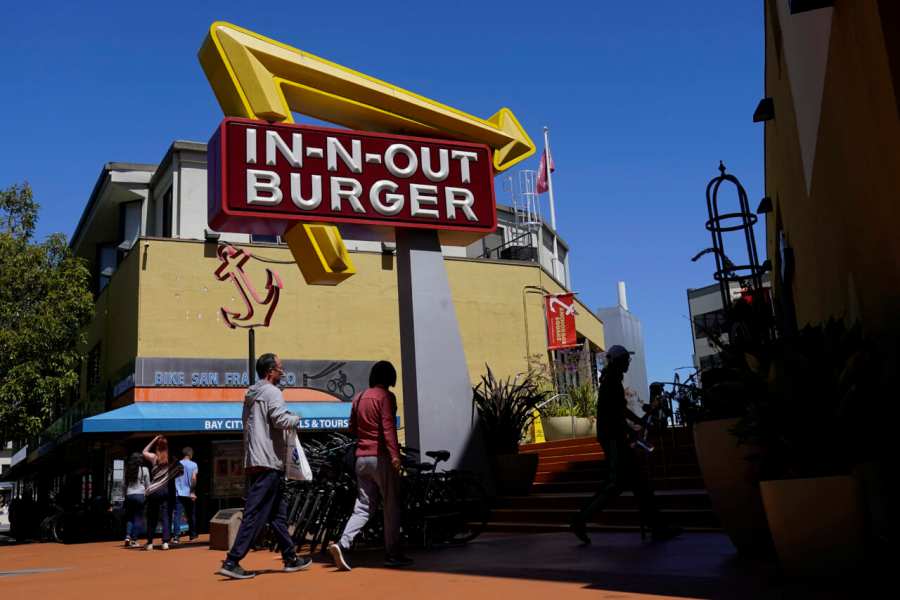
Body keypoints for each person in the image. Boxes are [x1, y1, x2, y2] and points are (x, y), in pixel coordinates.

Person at [570, 345, 682, 544]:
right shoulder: (612, 381)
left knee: (637, 484)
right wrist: (639, 426)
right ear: (618, 361)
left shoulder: (611, 380)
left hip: (615, 436)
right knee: (617, 484)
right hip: (614, 439)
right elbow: (617, 413)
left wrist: (637, 427)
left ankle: (656, 526)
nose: (628, 362)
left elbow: (618, 412)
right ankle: (580, 520)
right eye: (625, 359)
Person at [218, 353, 312, 580]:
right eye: (280, 368)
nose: (283, 372)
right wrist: (296, 418)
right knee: (255, 514)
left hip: (257, 459)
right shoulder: (272, 392)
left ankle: (290, 557)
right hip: (269, 461)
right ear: (270, 371)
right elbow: (280, 420)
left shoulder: (252, 394)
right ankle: (232, 560)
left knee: (277, 515)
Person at [328, 360, 412, 571]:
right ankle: (393, 553)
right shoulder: (386, 397)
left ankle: (343, 543)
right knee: (391, 506)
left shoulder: (358, 397)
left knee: (363, 507)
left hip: (361, 459)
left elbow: (352, 427)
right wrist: (395, 456)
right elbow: (388, 427)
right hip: (380, 457)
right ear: (390, 377)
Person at [142, 435, 183, 550]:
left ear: (157, 447)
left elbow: (144, 451)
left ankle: (150, 543)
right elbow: (180, 471)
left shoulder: (154, 458)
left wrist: (154, 439)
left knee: (152, 516)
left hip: (154, 490)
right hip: (166, 490)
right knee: (166, 516)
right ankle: (165, 542)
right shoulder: (171, 459)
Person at [171, 446, 198, 543]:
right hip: (189, 493)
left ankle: (176, 537)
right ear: (190, 454)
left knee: (177, 515)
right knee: (191, 515)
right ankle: (192, 536)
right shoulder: (194, 465)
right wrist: (192, 492)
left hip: (178, 493)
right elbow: (194, 479)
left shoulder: (177, 464)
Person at [123, 452, 150, 547]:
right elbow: (148, 485)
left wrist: (125, 495)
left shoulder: (128, 470)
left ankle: (127, 536)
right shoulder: (144, 469)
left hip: (129, 495)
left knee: (130, 517)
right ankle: (134, 540)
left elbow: (124, 485)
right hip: (140, 495)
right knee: (138, 518)